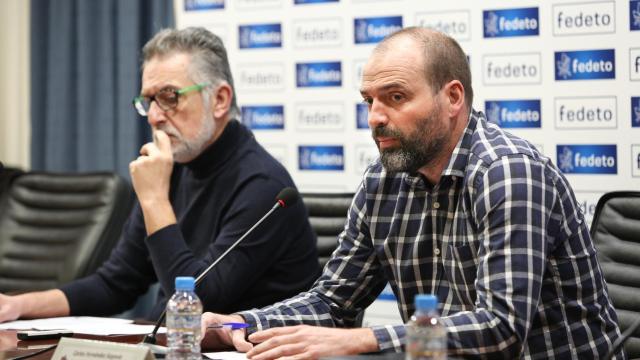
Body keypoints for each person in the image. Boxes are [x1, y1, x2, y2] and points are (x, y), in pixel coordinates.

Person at [200, 27, 626, 359]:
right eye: (369, 100)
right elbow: (333, 302)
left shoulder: (508, 172)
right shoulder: (382, 183)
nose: (376, 117)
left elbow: (501, 326)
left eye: (396, 97)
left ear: (452, 97)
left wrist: (361, 340)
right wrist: (239, 323)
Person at [0, 27, 319, 322]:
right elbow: (116, 283)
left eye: (169, 97)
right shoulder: (175, 166)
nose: (153, 116)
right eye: (148, 101)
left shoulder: (263, 185)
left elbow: (198, 301)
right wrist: (18, 305)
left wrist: (154, 199)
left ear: (219, 100)